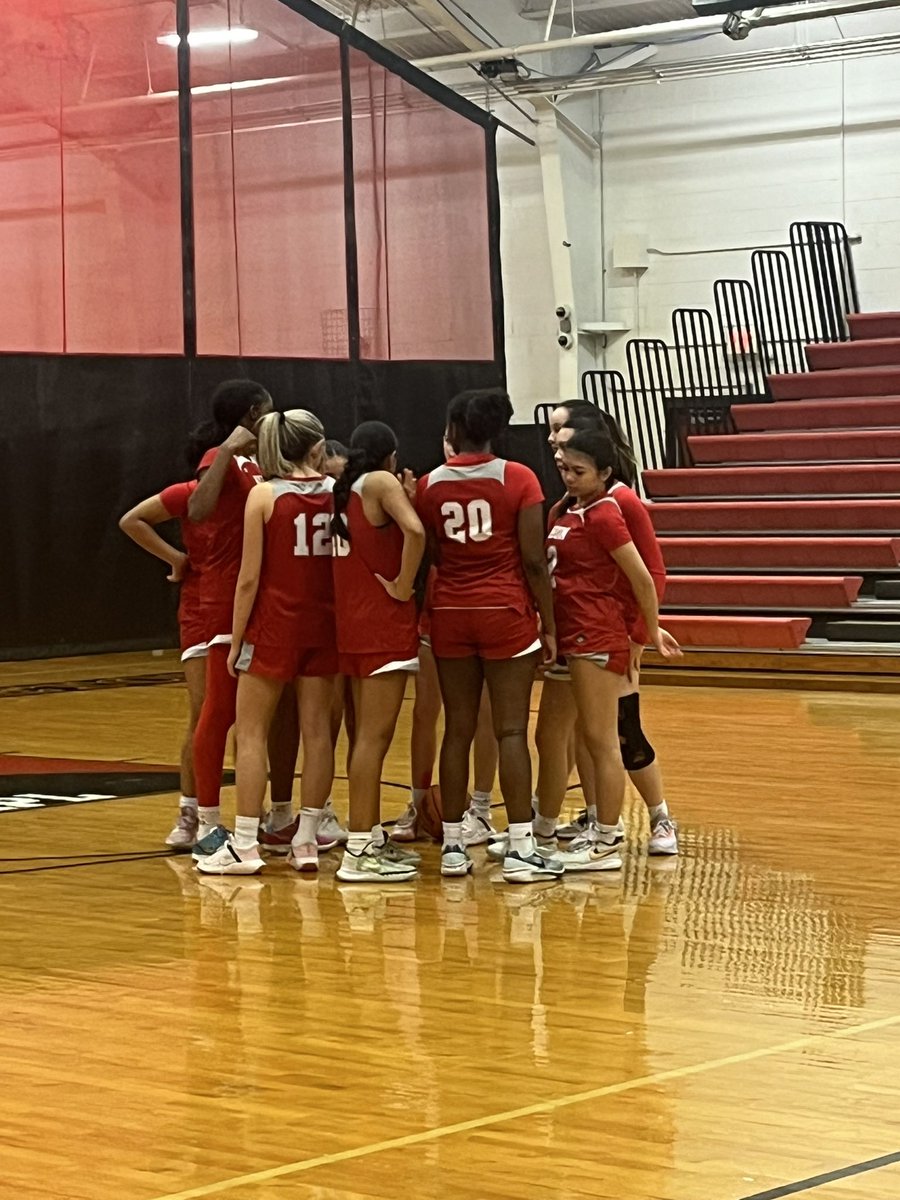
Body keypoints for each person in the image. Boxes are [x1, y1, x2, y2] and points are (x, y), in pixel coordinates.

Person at [416, 388, 563, 884]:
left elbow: (432, 552)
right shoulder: (518, 478)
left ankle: (454, 846)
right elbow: (533, 561)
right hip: (504, 612)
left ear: (455, 428)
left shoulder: (430, 484)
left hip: (451, 612)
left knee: (457, 729)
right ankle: (521, 846)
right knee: (511, 730)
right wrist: (549, 622)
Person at [197, 409, 338, 876]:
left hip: (274, 627)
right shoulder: (337, 494)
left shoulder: (263, 495)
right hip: (325, 627)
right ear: (317, 447)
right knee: (318, 733)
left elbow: (248, 579)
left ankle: (245, 845)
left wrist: (236, 642)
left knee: (251, 732)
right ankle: (307, 840)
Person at [544, 407, 678, 856]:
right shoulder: (569, 504)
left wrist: (642, 634)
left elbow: (652, 573)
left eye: (559, 429)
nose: (552, 438)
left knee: (622, 733)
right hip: (578, 635)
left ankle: (659, 817)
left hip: (613, 633)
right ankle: (596, 813)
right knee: (584, 732)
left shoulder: (618, 503)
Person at [330, 421, 427, 883]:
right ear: (390, 454)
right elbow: (416, 532)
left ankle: (363, 837)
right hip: (381, 626)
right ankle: (360, 849)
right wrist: (405, 584)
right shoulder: (382, 481)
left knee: (362, 739)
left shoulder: (347, 487)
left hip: (351, 624)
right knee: (373, 739)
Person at [118, 431, 213, 848]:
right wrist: (175, 557)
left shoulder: (254, 492)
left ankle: (258, 814)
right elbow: (131, 520)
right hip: (200, 611)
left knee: (249, 722)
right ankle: (190, 812)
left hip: (245, 608)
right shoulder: (188, 494)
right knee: (203, 712)